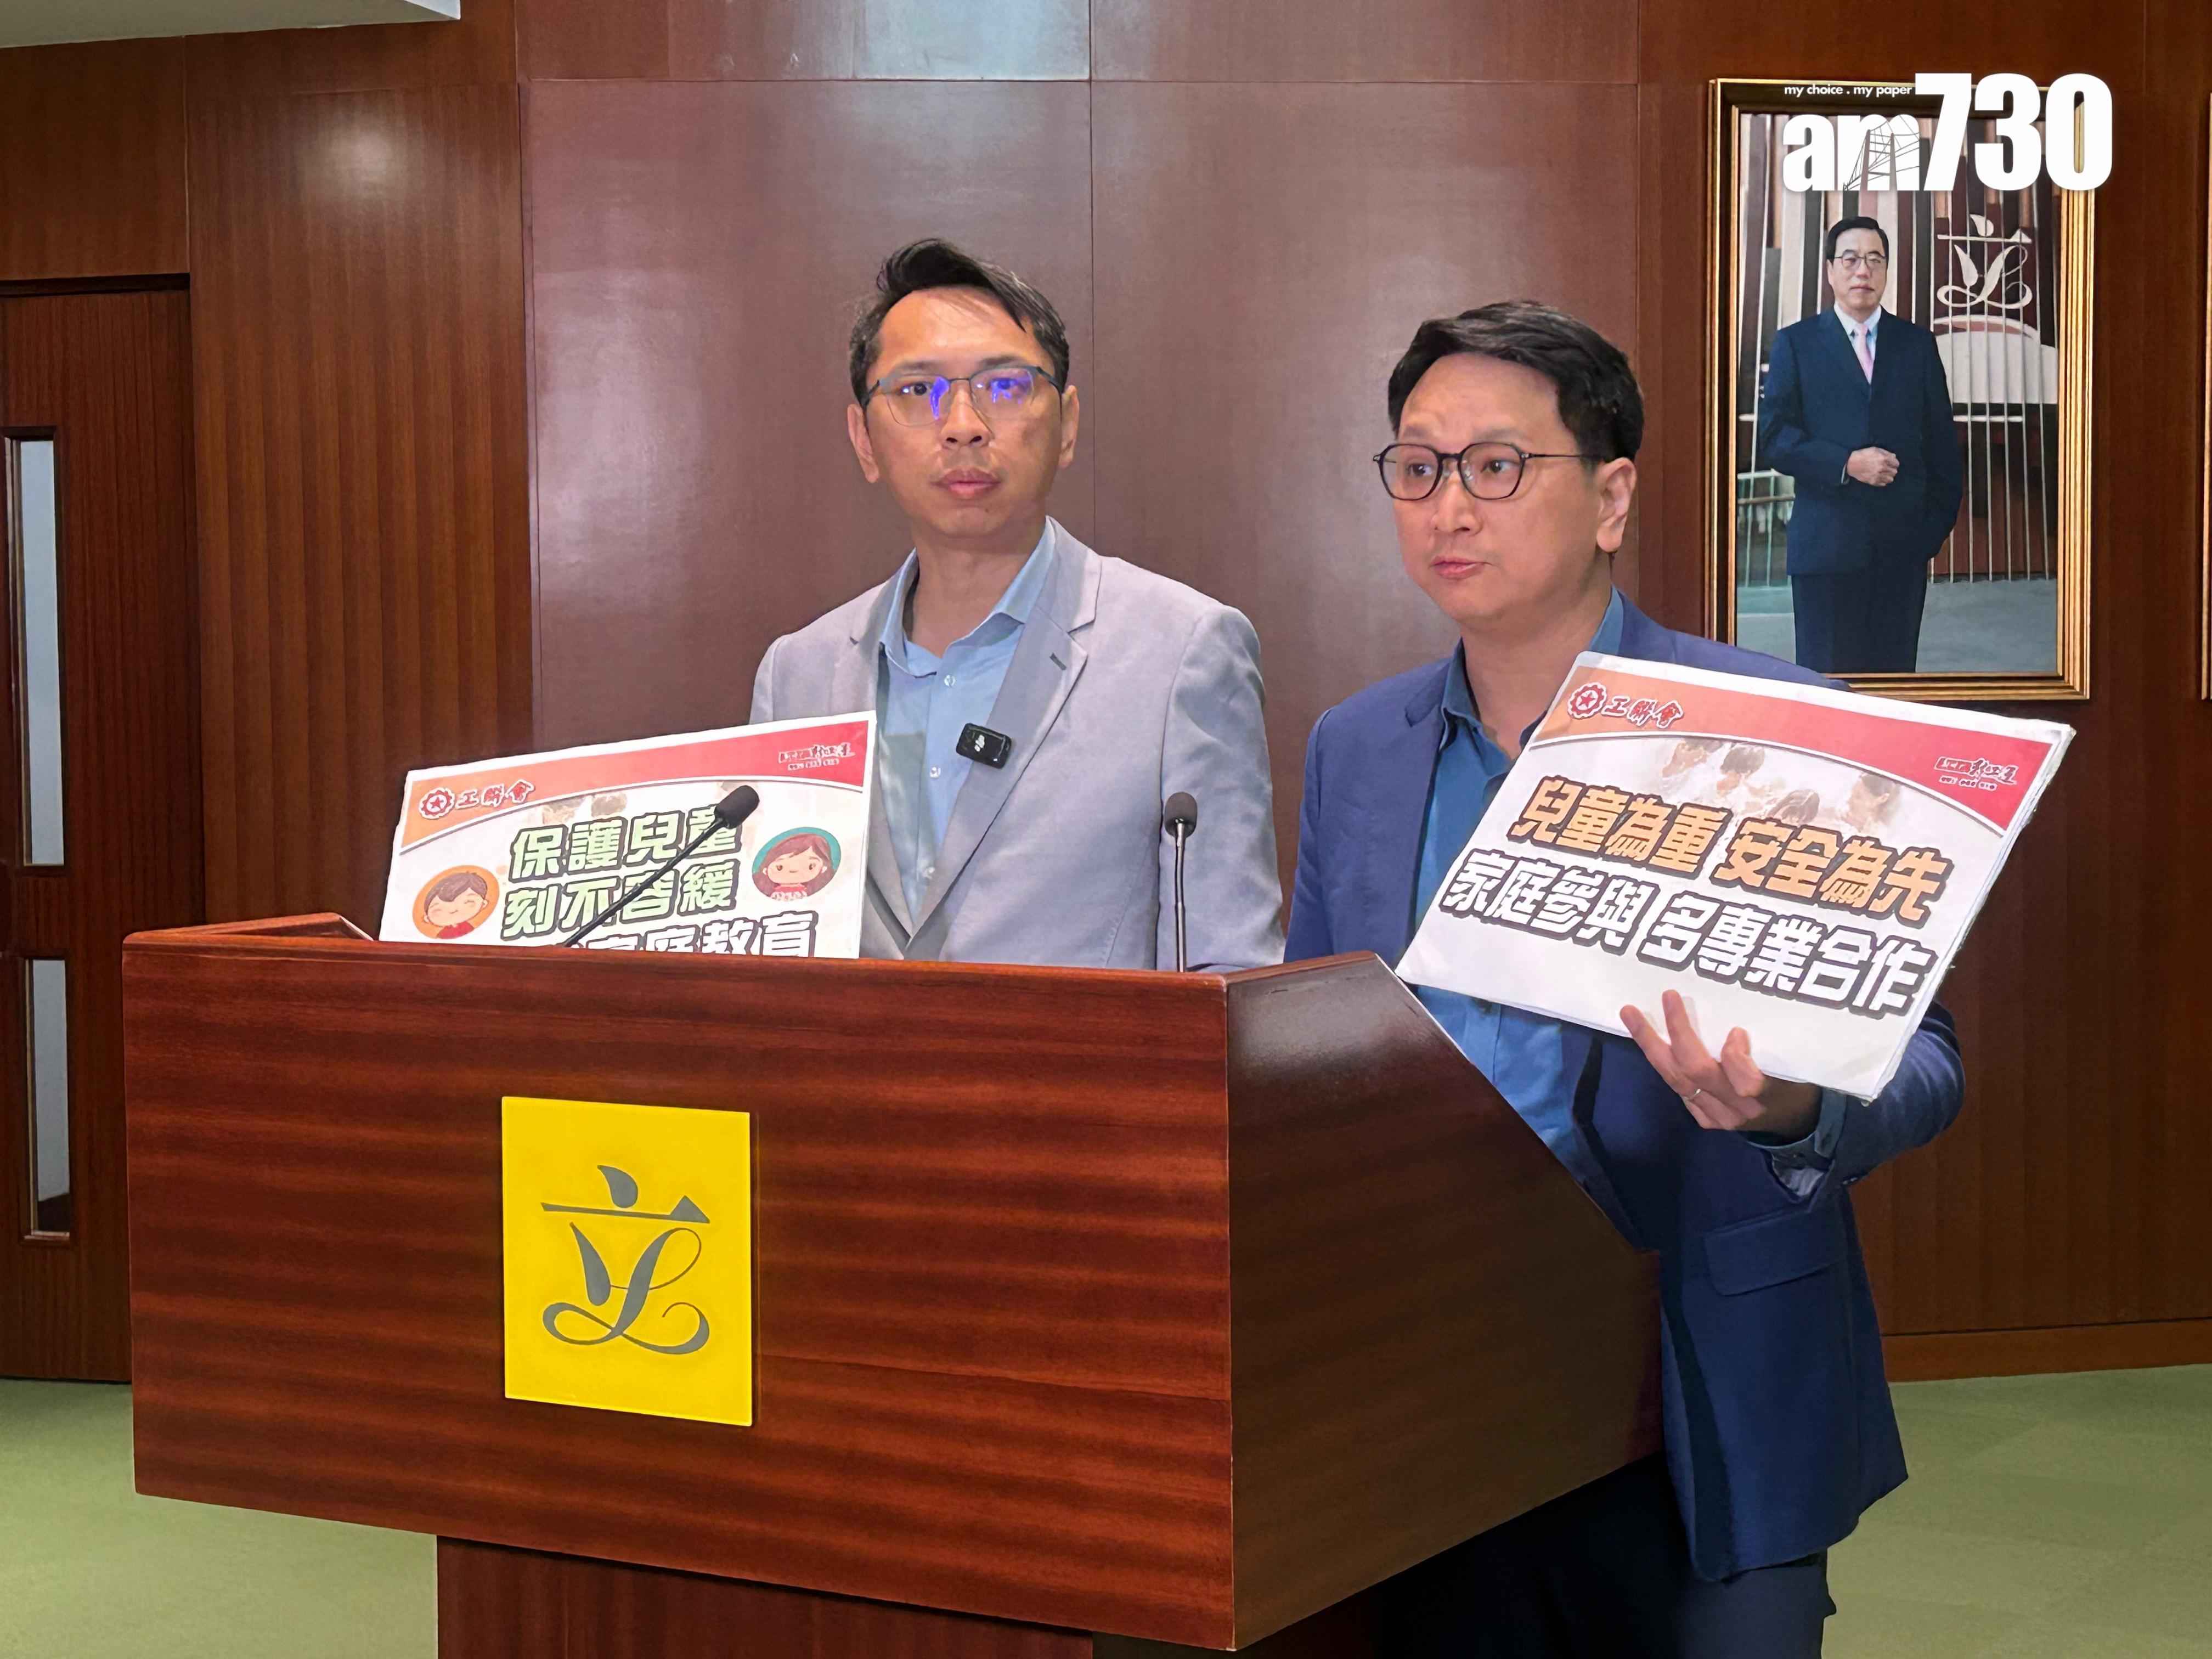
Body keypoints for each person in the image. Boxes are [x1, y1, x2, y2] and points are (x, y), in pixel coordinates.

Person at [1287, 300, 1966, 1656]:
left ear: (1611, 498)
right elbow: (1312, 1044)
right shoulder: (1356, 747)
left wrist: (1792, 1106)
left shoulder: (1774, 730)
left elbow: (1928, 1061)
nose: (1448, 506)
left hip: (1701, 1371)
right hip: (1436, 1370)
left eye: (1496, 466)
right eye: (1417, 467)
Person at [750, 239, 1282, 969]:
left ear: (1067, 425)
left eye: (1004, 386)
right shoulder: (798, 675)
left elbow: (1226, 964)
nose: (963, 424)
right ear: (864, 441)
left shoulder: (1183, 651)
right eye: (916, 391)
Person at [1757, 216, 1963, 674]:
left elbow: (1944, 452)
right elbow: (1773, 440)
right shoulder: (1797, 344)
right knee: (1829, 691)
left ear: (1887, 270)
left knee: (1894, 693)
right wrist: (1846, 463)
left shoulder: (1916, 345)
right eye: (1850, 260)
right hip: (1825, 554)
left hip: (1901, 555)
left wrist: (1927, 537)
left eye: (1875, 260)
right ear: (1830, 271)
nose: (1863, 271)